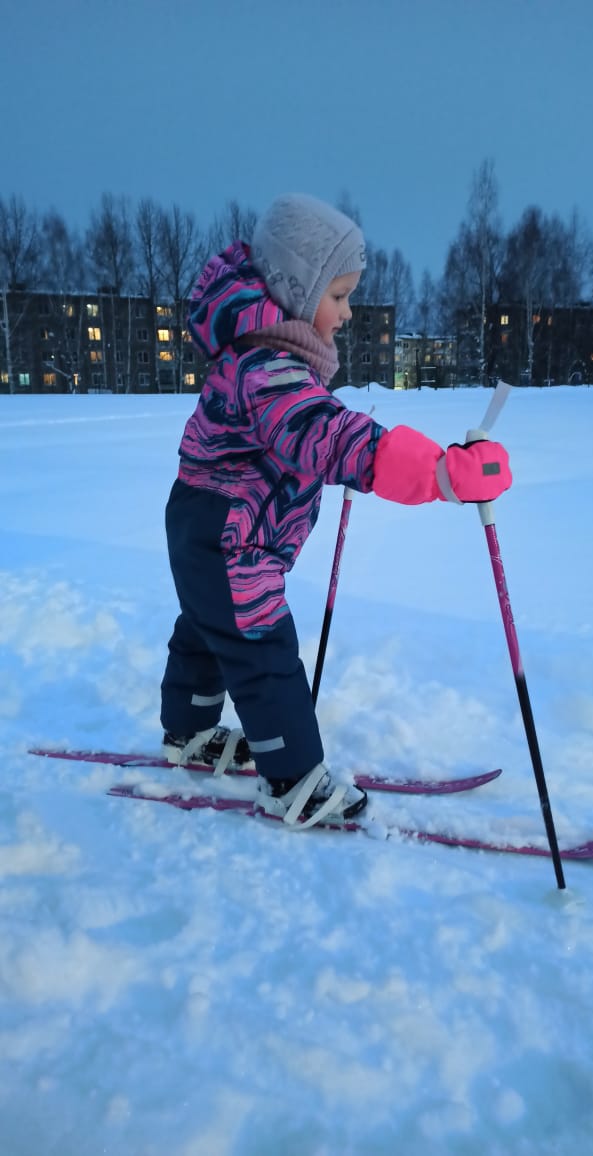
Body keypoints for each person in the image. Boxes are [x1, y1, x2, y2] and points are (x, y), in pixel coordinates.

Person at [160, 193, 511, 828]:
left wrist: (337, 450)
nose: (348, 313)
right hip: (230, 532)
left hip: (205, 524)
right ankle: (292, 780)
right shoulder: (268, 365)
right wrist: (436, 471)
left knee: (208, 630)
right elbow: (319, 430)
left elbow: (306, 431)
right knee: (262, 646)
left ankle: (189, 733)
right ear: (297, 291)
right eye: (340, 295)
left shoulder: (261, 353)